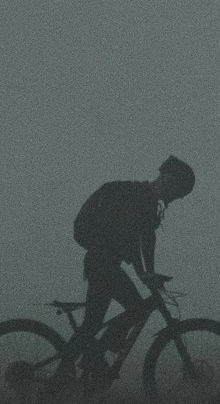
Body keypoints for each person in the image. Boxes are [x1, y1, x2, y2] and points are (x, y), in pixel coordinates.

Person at [71, 156, 196, 367]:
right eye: (179, 193)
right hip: (102, 264)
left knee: (92, 324)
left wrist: (149, 272)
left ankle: (85, 364)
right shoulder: (137, 198)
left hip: (103, 263)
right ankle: (93, 358)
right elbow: (131, 241)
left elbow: (146, 240)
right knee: (137, 310)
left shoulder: (147, 202)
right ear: (169, 181)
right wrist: (143, 273)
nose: (177, 199)